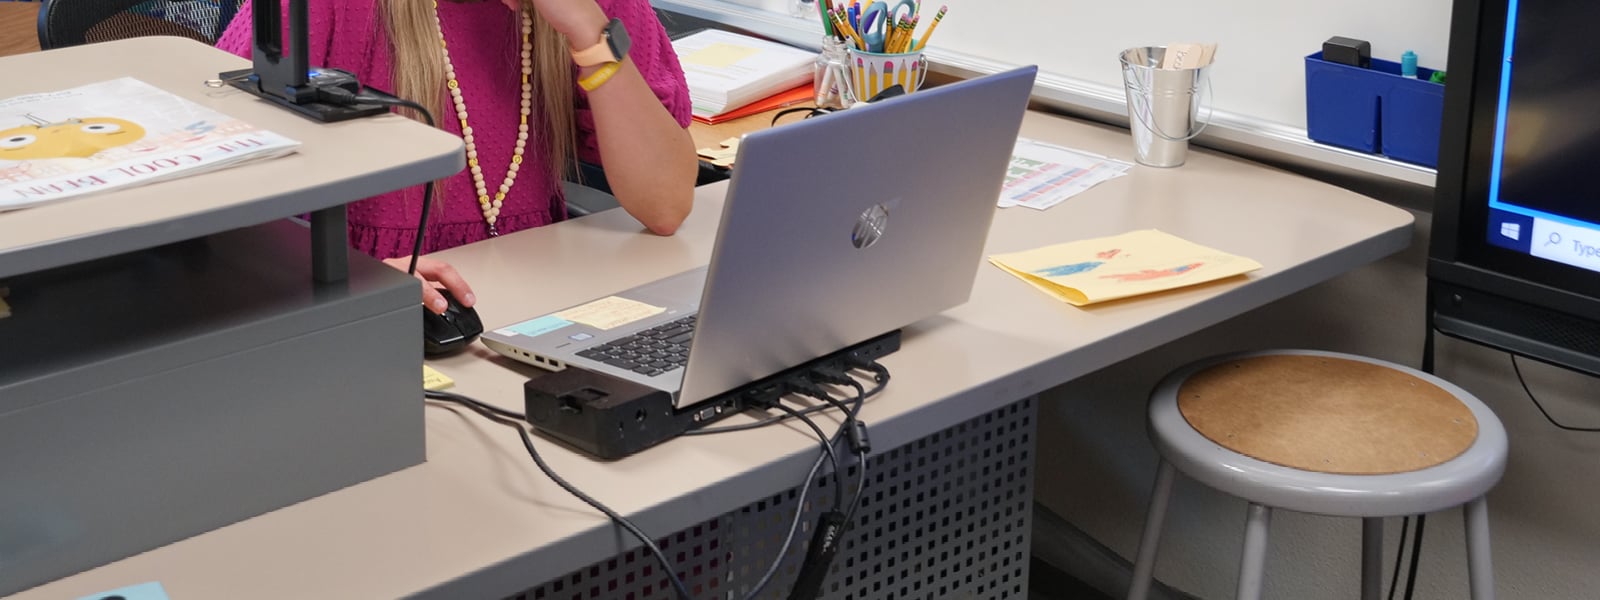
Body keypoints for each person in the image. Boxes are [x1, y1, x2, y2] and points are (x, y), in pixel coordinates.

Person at [217, 0, 697, 314]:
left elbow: (666, 203)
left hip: (539, 297)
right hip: (359, 311)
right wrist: (344, 274)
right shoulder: (322, 7)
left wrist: (587, 31)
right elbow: (203, 208)